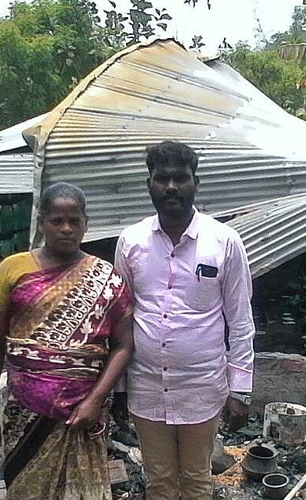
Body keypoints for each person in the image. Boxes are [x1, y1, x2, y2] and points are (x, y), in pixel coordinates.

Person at [113, 141, 256, 500]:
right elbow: (119, 319)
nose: (171, 187)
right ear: (149, 184)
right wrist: (117, 390)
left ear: (196, 182)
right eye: (162, 178)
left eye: (181, 178)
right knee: (158, 480)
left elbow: (240, 319)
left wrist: (240, 389)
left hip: (202, 389)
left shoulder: (223, 242)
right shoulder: (131, 242)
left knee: (196, 480)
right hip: (146, 388)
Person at [0, 182, 134, 500]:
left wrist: (94, 400)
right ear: (41, 222)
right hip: (25, 414)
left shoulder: (107, 278)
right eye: (56, 221)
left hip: (82, 415)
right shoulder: (12, 269)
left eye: (74, 221)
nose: (66, 229)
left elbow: (124, 346)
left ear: (86, 223)